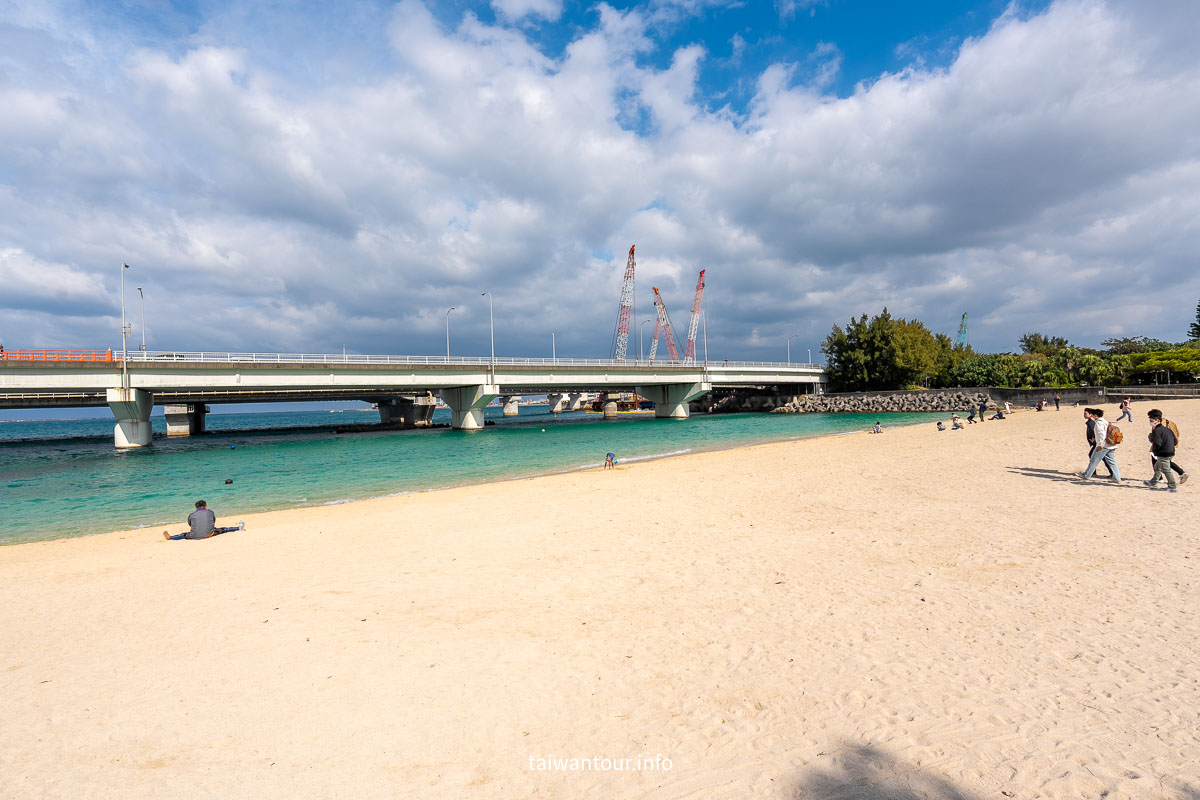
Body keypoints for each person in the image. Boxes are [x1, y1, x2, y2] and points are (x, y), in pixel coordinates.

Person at [1146, 409, 1188, 486]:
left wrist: (1153, 447)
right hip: (1171, 445)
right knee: (1164, 462)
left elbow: (1157, 439)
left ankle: (1168, 479)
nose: (1150, 420)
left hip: (1163, 447)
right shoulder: (1170, 422)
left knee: (1161, 462)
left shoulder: (1157, 426)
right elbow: (1176, 432)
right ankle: (1180, 473)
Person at [163, 500, 242, 540]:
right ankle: (238, 528)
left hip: (194, 535)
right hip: (210, 534)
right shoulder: (210, 512)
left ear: (195, 508)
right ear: (206, 506)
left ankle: (170, 537)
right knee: (223, 529)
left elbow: (190, 524)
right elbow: (213, 522)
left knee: (184, 535)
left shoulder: (191, 514)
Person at [1080, 408, 1121, 482]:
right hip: (1111, 445)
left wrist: (1100, 445)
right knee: (1112, 463)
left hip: (1104, 446)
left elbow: (1101, 435)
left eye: (1092, 414)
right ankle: (1117, 478)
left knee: (1093, 460)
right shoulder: (1106, 421)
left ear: (1096, 415)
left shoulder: (1099, 423)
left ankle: (1086, 475)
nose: (1092, 416)